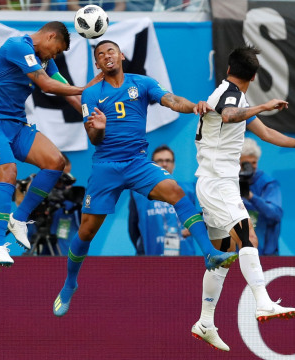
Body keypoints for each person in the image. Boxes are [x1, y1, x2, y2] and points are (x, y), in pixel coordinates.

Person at [52, 40, 238, 317]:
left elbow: (173, 100)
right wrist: (99, 129)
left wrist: (195, 107)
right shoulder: (91, 94)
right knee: (86, 231)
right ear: (97, 64)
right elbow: (93, 138)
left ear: (122, 55)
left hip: (138, 163)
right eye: (100, 54)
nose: (106, 56)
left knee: (176, 191)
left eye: (111, 51)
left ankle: (209, 253)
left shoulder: (142, 83)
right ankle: (69, 283)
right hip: (106, 166)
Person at [190, 45, 295, 351]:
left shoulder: (230, 95)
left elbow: (264, 133)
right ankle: (264, 302)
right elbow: (229, 114)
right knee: (247, 236)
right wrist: (263, 106)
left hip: (212, 183)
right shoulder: (230, 98)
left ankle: (205, 322)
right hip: (218, 183)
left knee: (225, 254)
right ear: (253, 76)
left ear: (228, 69)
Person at [0, 21, 101, 267]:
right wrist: (86, 86)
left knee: (56, 162)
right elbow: (46, 85)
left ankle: (18, 218)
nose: (55, 55)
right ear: (50, 36)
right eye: (57, 49)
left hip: (16, 124)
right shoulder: (17, 45)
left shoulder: (45, 61)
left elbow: (68, 92)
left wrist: (91, 116)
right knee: (8, 173)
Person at [128, 145, 204, 256]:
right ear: (152, 165)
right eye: (160, 161)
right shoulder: (139, 194)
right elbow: (133, 228)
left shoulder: (189, 190)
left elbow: (202, 217)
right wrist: (141, 251)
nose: (164, 164)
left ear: (173, 164)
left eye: (168, 161)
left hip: (184, 256)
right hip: (150, 256)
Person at [240, 137, 282, 256]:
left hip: (266, 254)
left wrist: (251, 197)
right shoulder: (228, 182)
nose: (250, 167)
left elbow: (276, 214)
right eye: (245, 164)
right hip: (236, 253)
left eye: (254, 162)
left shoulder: (268, 184)